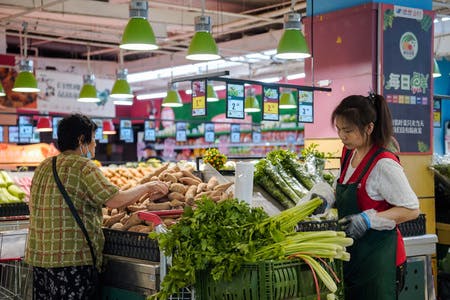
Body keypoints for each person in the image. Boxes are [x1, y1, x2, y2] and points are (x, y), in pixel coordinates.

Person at [25, 114, 169, 300]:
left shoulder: (44, 166)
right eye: (93, 139)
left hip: (40, 261)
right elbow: (115, 200)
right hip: (72, 262)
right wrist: (147, 186)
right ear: (81, 140)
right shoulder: (84, 166)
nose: (95, 145)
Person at [331, 93, 420, 300]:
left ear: (369, 128)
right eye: (339, 129)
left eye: (348, 130)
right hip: (356, 259)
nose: (342, 136)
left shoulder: (384, 163)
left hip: (382, 263)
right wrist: (327, 195)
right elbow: (341, 182)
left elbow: (412, 209)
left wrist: (369, 219)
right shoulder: (349, 153)